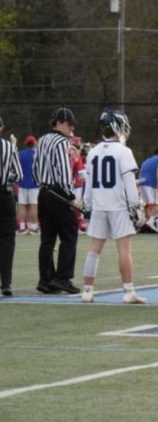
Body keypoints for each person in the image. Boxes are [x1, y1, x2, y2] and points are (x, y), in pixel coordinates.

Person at [80, 110, 147, 304]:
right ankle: (128, 291)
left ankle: (87, 290)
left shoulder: (93, 152)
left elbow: (89, 184)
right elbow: (129, 183)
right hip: (118, 206)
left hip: (100, 205)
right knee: (124, 250)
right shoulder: (124, 152)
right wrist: (136, 207)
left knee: (94, 249)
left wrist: (87, 205)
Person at [34, 107, 82, 294]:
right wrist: (71, 197)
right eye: (70, 124)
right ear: (60, 122)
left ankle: (45, 279)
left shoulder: (42, 140)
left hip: (43, 192)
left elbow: (37, 167)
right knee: (70, 236)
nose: (71, 128)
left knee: (47, 239)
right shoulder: (62, 142)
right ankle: (63, 278)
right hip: (58, 193)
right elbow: (63, 174)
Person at [0, 116, 23, 295]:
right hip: (5, 196)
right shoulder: (9, 147)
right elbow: (19, 175)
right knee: (7, 241)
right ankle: (6, 283)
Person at [16, 135, 39, 234]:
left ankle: (22, 227)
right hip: (34, 183)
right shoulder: (36, 154)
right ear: (34, 143)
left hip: (22, 183)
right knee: (33, 206)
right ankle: (33, 227)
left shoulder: (20, 154)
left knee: (22, 206)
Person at [138, 148, 158, 219]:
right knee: (154, 204)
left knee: (147, 204)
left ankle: (147, 221)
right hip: (151, 184)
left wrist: (138, 185)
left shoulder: (146, 161)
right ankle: (153, 222)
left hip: (142, 183)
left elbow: (140, 172)